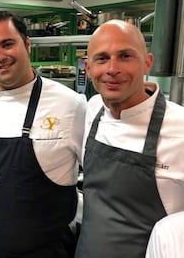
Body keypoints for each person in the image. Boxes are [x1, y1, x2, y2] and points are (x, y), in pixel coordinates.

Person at [0, 11, 86, 257]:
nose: (0, 56)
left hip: (43, 250)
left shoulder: (70, 104)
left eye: (7, 44)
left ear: (27, 44)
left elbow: (95, 177)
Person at [75, 19, 184, 258]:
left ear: (147, 62)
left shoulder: (180, 128)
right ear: (89, 68)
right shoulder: (92, 110)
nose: (112, 68)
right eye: (102, 58)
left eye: (125, 56)